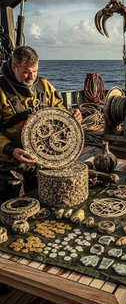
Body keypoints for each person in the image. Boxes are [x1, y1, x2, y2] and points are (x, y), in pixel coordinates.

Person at [0, 45, 82, 199]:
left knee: (40, 197)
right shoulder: (1, 90)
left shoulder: (44, 86)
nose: (31, 77)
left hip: (39, 158)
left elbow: (58, 110)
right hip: (7, 161)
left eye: (35, 71)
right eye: (26, 72)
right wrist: (11, 150)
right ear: (13, 67)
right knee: (6, 202)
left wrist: (70, 114)